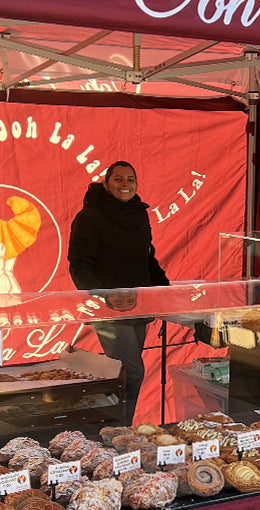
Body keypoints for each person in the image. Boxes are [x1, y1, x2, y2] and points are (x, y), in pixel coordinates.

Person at [68, 160, 169, 424]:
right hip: (108, 311)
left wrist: (165, 291)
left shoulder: (139, 214)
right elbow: (79, 265)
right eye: (118, 179)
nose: (125, 184)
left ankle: (115, 427)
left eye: (130, 180)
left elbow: (148, 259)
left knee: (124, 372)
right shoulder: (90, 216)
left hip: (138, 307)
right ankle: (118, 429)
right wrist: (103, 294)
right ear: (106, 182)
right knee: (131, 372)